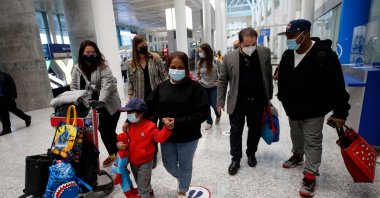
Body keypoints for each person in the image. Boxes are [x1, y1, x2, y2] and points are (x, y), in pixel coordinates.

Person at [277, 19, 350, 197]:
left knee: (313, 140)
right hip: (293, 108)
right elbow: (284, 79)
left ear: (306, 33)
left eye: (292, 35)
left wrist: (341, 112)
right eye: (287, 36)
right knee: (296, 136)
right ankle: (297, 155)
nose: (289, 39)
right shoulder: (288, 54)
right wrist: (283, 98)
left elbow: (338, 86)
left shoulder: (324, 55)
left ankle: (310, 175)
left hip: (314, 109)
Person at [141, 51, 209, 197]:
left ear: (186, 68)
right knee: (168, 164)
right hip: (166, 135)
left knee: (185, 165)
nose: (176, 70)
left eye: (180, 67)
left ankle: (183, 188)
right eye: (173, 67)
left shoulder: (195, 88)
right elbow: (148, 106)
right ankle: (183, 177)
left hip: (188, 136)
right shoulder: (162, 87)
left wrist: (177, 122)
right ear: (167, 68)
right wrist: (131, 117)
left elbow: (203, 113)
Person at [217, 27, 273, 175]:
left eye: (253, 44)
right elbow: (222, 81)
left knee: (255, 129)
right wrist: (220, 102)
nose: (251, 48)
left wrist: (269, 99)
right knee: (236, 130)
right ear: (239, 43)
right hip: (237, 101)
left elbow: (268, 77)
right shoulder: (229, 58)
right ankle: (235, 158)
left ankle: (251, 153)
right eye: (247, 45)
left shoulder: (264, 52)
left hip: (257, 101)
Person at [71, 40, 121, 167]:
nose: (90, 54)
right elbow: (74, 86)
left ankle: (121, 151)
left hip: (109, 103)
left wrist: (100, 102)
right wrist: (80, 100)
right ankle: (114, 153)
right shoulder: (77, 68)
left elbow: (106, 85)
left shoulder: (103, 66)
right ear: (82, 53)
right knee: (102, 130)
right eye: (87, 52)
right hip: (90, 104)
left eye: (93, 52)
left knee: (108, 130)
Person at [119, 98, 173, 198]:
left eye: (131, 112)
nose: (128, 115)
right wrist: (119, 143)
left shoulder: (150, 126)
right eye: (128, 112)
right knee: (140, 182)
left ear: (140, 113)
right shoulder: (130, 125)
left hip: (145, 163)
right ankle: (150, 191)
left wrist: (167, 128)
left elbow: (160, 138)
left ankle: (147, 194)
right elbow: (124, 138)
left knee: (142, 189)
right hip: (133, 161)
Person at [127, 34, 167, 168]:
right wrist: (130, 95)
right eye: (140, 44)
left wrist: (166, 92)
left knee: (152, 127)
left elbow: (163, 75)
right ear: (135, 46)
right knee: (142, 127)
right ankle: (146, 150)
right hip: (140, 102)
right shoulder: (131, 63)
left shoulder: (155, 58)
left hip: (156, 99)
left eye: (144, 42)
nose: (143, 45)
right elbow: (130, 83)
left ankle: (153, 153)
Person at [197, 43, 221, 130]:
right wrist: (198, 80)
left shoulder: (215, 61)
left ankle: (218, 115)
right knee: (206, 105)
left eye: (201, 51)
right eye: (199, 51)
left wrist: (219, 81)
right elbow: (197, 74)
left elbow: (222, 73)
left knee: (215, 105)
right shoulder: (199, 63)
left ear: (207, 51)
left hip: (214, 87)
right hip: (203, 87)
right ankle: (209, 121)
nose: (200, 53)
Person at [0, 70, 31, 136]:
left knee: (14, 110)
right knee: (2, 114)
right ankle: (6, 129)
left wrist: (13, 95)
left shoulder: (5, 75)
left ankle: (27, 118)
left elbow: (12, 85)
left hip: (7, 97)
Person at [112, 132, 138, 198]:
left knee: (128, 179)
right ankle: (128, 195)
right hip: (118, 169)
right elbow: (120, 167)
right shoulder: (123, 155)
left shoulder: (124, 151)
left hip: (122, 168)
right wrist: (118, 176)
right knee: (124, 181)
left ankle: (131, 190)